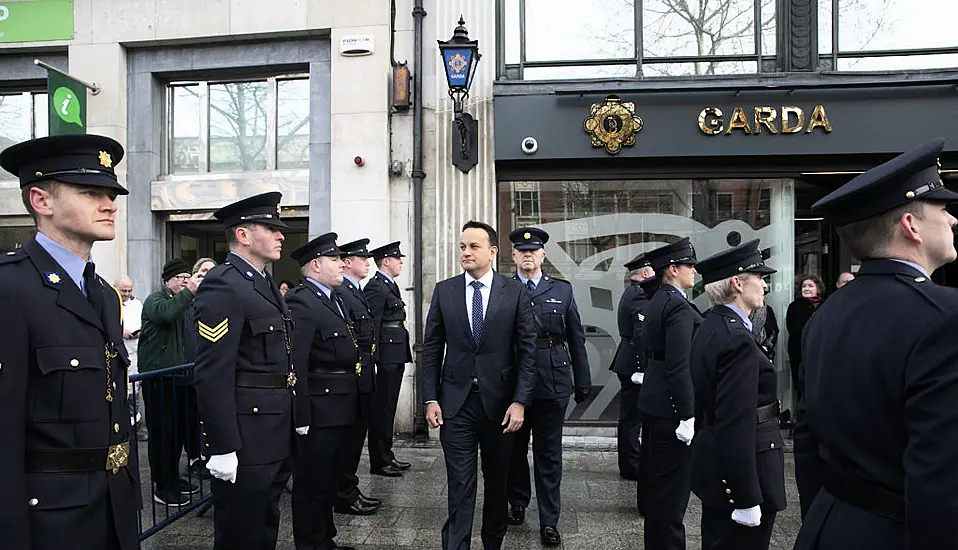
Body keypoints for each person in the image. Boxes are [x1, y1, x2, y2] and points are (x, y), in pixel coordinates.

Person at [794, 138, 958, 548]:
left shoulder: (825, 316)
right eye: (942, 208)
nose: (953, 219)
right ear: (911, 225)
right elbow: (942, 480)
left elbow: (808, 442)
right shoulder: (944, 317)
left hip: (830, 526)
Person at [0, 134, 140, 549]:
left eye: (111, 193)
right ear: (41, 201)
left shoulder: (101, 292)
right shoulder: (10, 288)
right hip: (49, 519)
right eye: (90, 192)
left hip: (112, 505)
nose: (110, 204)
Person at [192, 191, 302, 550]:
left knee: (264, 525)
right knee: (241, 532)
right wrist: (222, 445)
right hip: (247, 433)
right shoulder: (225, 282)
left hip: (272, 428)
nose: (281, 235)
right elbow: (212, 370)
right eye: (271, 228)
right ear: (243, 235)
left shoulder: (261, 281)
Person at [422, 220, 537, 550]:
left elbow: (528, 350)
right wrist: (430, 398)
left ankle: (492, 542)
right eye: (462, 246)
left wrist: (521, 401)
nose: (466, 252)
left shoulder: (513, 291)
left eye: (473, 246)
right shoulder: (445, 290)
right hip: (455, 405)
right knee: (459, 484)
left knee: (497, 484)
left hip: (500, 407)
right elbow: (432, 347)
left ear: (493, 251)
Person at [690, 239, 786, 550]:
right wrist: (745, 496)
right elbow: (735, 420)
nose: (765, 286)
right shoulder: (737, 340)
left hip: (722, 463)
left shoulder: (713, 325)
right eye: (760, 278)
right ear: (737, 282)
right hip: (745, 470)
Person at [505, 227, 591, 547]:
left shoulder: (562, 291)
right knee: (514, 449)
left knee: (549, 454)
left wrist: (582, 380)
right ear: (513, 256)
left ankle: (549, 520)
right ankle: (517, 502)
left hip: (552, 380)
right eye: (522, 251)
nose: (528, 255)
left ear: (543, 256)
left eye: (534, 251)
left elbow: (576, 338)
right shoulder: (503, 289)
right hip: (513, 384)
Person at [286, 233, 362, 550]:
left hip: (342, 404)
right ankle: (311, 543)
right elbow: (298, 363)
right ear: (316, 265)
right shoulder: (302, 301)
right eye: (334, 259)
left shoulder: (335, 298)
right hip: (319, 408)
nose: (342, 263)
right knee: (312, 483)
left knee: (328, 478)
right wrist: (301, 413)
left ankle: (325, 539)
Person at [637, 236, 702, 550]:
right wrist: (687, 414)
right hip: (669, 409)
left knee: (659, 492)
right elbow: (679, 365)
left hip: (655, 400)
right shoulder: (675, 305)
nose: (694, 270)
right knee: (671, 498)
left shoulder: (659, 299)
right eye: (689, 265)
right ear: (673, 269)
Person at [138, 257, 202, 506]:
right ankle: (162, 484)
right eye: (180, 279)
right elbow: (166, 315)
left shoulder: (187, 302)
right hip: (159, 379)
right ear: (167, 281)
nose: (186, 282)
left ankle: (174, 477)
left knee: (177, 434)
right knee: (163, 434)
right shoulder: (156, 300)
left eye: (189, 278)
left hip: (182, 377)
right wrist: (189, 292)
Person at [332, 238, 381, 516]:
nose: (368, 263)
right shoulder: (344, 293)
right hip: (355, 373)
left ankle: (349, 488)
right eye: (362, 259)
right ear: (347, 262)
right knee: (348, 442)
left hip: (364, 372)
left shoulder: (355, 291)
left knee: (354, 439)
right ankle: (344, 492)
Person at [364, 241, 413, 476]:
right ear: (385, 261)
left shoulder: (389, 286)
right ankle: (380, 460)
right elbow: (372, 324)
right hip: (385, 358)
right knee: (382, 409)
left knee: (389, 408)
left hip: (395, 354)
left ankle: (387, 453)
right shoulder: (376, 287)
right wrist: (374, 359)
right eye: (397, 258)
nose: (401, 262)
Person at [610, 253, 656, 482]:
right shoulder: (640, 294)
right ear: (646, 273)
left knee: (629, 417)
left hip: (627, 360)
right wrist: (643, 368)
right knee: (632, 419)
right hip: (633, 363)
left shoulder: (632, 291)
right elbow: (640, 334)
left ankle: (629, 463)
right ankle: (631, 465)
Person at [116, 275, 147, 441]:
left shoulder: (137, 304)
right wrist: (122, 332)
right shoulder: (111, 302)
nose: (126, 294)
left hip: (135, 351)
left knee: (134, 391)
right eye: (123, 290)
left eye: (129, 290)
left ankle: (136, 423)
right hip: (119, 350)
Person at [785, 275, 824, 401]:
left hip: (821, 351)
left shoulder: (826, 304)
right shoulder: (795, 306)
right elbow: (794, 329)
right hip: (800, 352)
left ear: (818, 288)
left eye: (810, 285)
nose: (806, 288)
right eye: (804, 286)